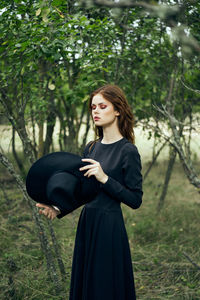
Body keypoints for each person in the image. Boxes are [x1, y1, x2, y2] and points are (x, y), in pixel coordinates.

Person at [36, 84, 143, 300]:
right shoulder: (91, 148)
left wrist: (105, 178)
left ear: (118, 110)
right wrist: (58, 209)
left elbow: (135, 199)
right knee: (87, 285)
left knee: (104, 285)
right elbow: (83, 192)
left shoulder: (128, 151)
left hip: (109, 226)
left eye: (102, 106)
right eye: (93, 107)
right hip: (88, 223)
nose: (95, 111)